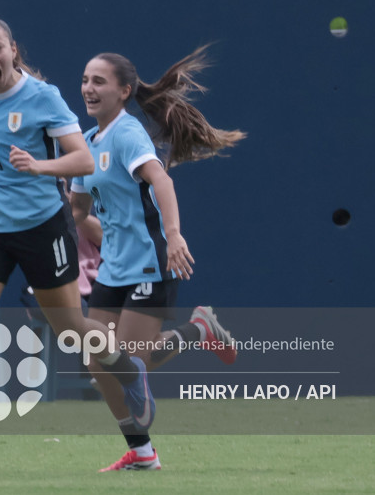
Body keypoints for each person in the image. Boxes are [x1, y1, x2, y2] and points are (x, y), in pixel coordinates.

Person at [0, 16, 153, 466]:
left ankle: (126, 366)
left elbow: (83, 158)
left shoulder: (43, 97)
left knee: (71, 331)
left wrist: (38, 167)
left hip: (41, 229)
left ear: (14, 49)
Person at [70, 46, 246, 471]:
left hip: (151, 261)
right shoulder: (85, 143)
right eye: (85, 80)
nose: (88, 88)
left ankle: (196, 331)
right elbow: (78, 212)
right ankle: (143, 452)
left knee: (133, 361)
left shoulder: (127, 134)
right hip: (114, 267)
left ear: (124, 91)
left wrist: (173, 236)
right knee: (98, 363)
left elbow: (161, 181)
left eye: (99, 81)